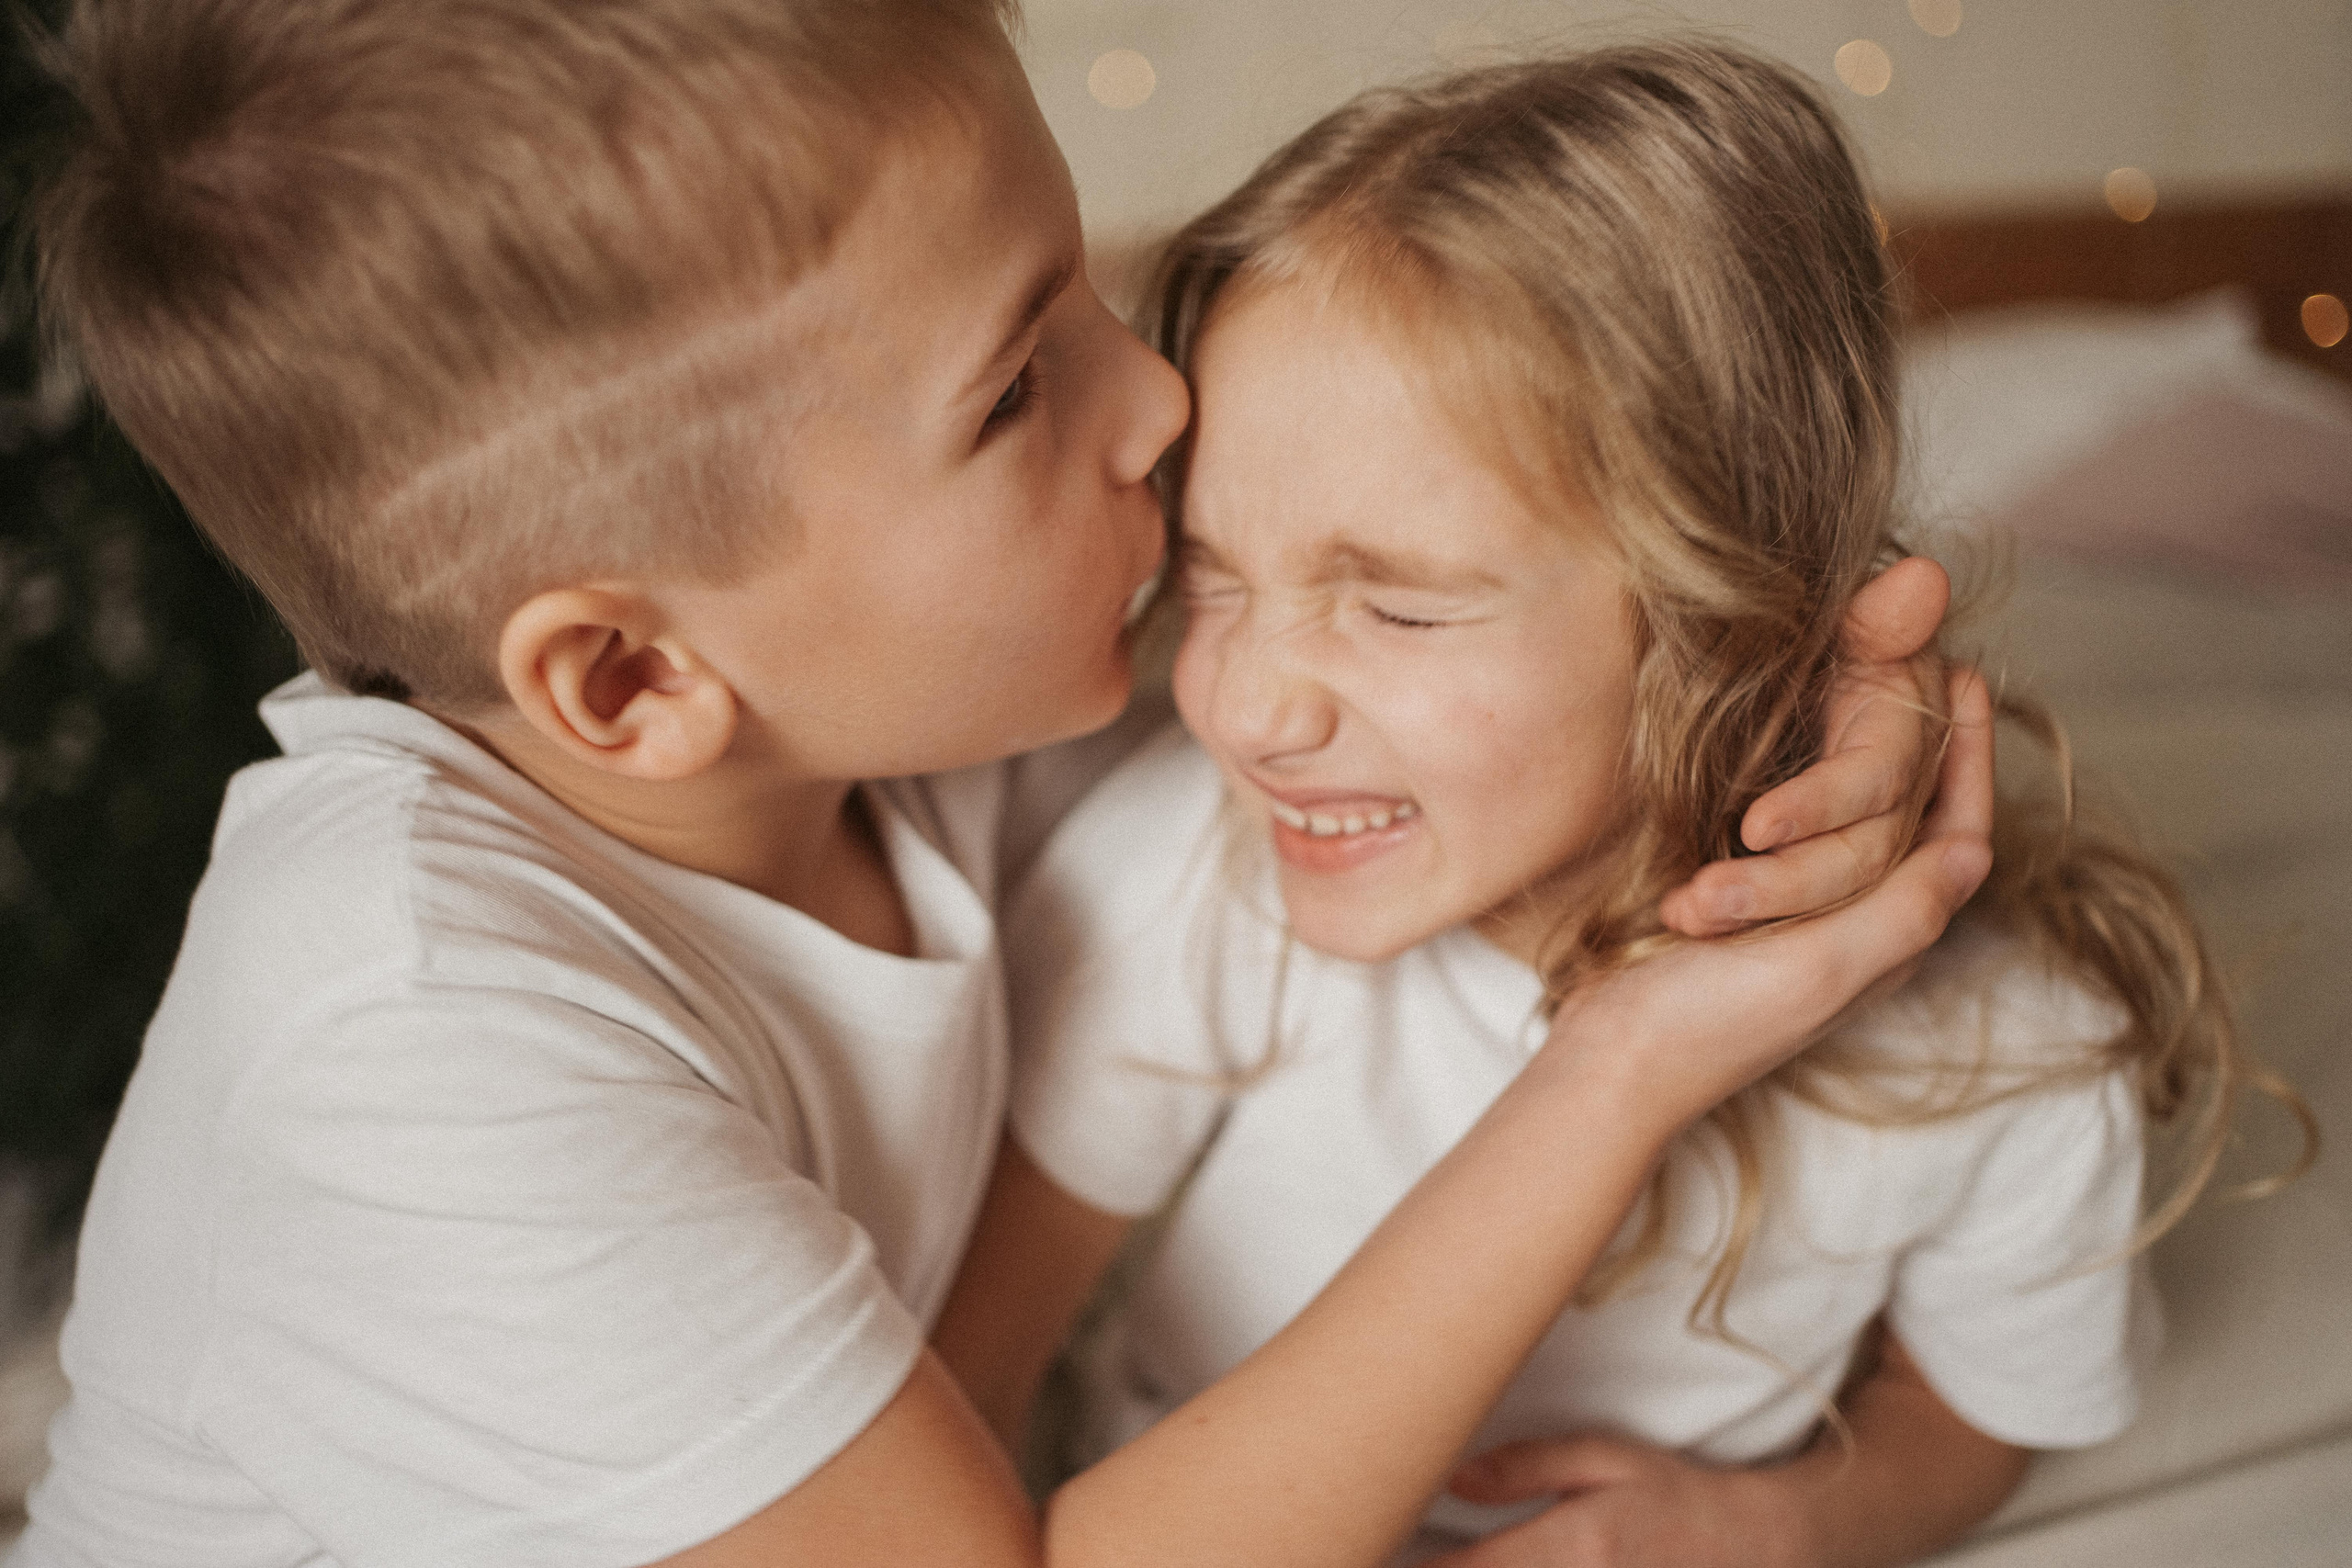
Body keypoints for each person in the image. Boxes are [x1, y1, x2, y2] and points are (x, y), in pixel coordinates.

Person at [17, 6, 1988, 1565]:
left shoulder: (876, 720)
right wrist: (1618, 1060)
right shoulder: (416, 1045)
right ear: (632, 675)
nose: (1152, 400)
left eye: (1080, 287)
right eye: (1012, 388)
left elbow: (1485, 662)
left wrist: (1784, 707)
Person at [945, 41, 2302, 1568]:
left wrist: (1773, 1527)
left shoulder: (2010, 1050)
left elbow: (1973, 1409)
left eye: (1397, 609)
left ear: (1730, 609)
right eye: (1211, 580)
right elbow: (971, 1393)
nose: (1245, 709)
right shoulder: (1192, 879)